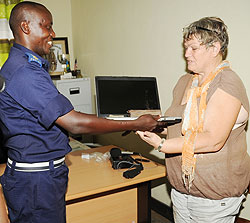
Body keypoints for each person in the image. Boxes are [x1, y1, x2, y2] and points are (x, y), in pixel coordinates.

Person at [0, 2, 164, 223]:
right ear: (26, 27)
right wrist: (135, 123)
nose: (52, 33)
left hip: (36, 176)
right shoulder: (25, 73)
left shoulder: (22, 65)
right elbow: (75, 124)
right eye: (47, 26)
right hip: (37, 181)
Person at [137, 17, 250, 223]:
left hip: (214, 199)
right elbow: (177, 128)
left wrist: (162, 145)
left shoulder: (227, 82)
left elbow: (213, 140)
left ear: (214, 48)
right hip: (181, 192)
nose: (186, 54)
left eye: (193, 48)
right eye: (185, 47)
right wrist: (148, 126)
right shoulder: (185, 81)